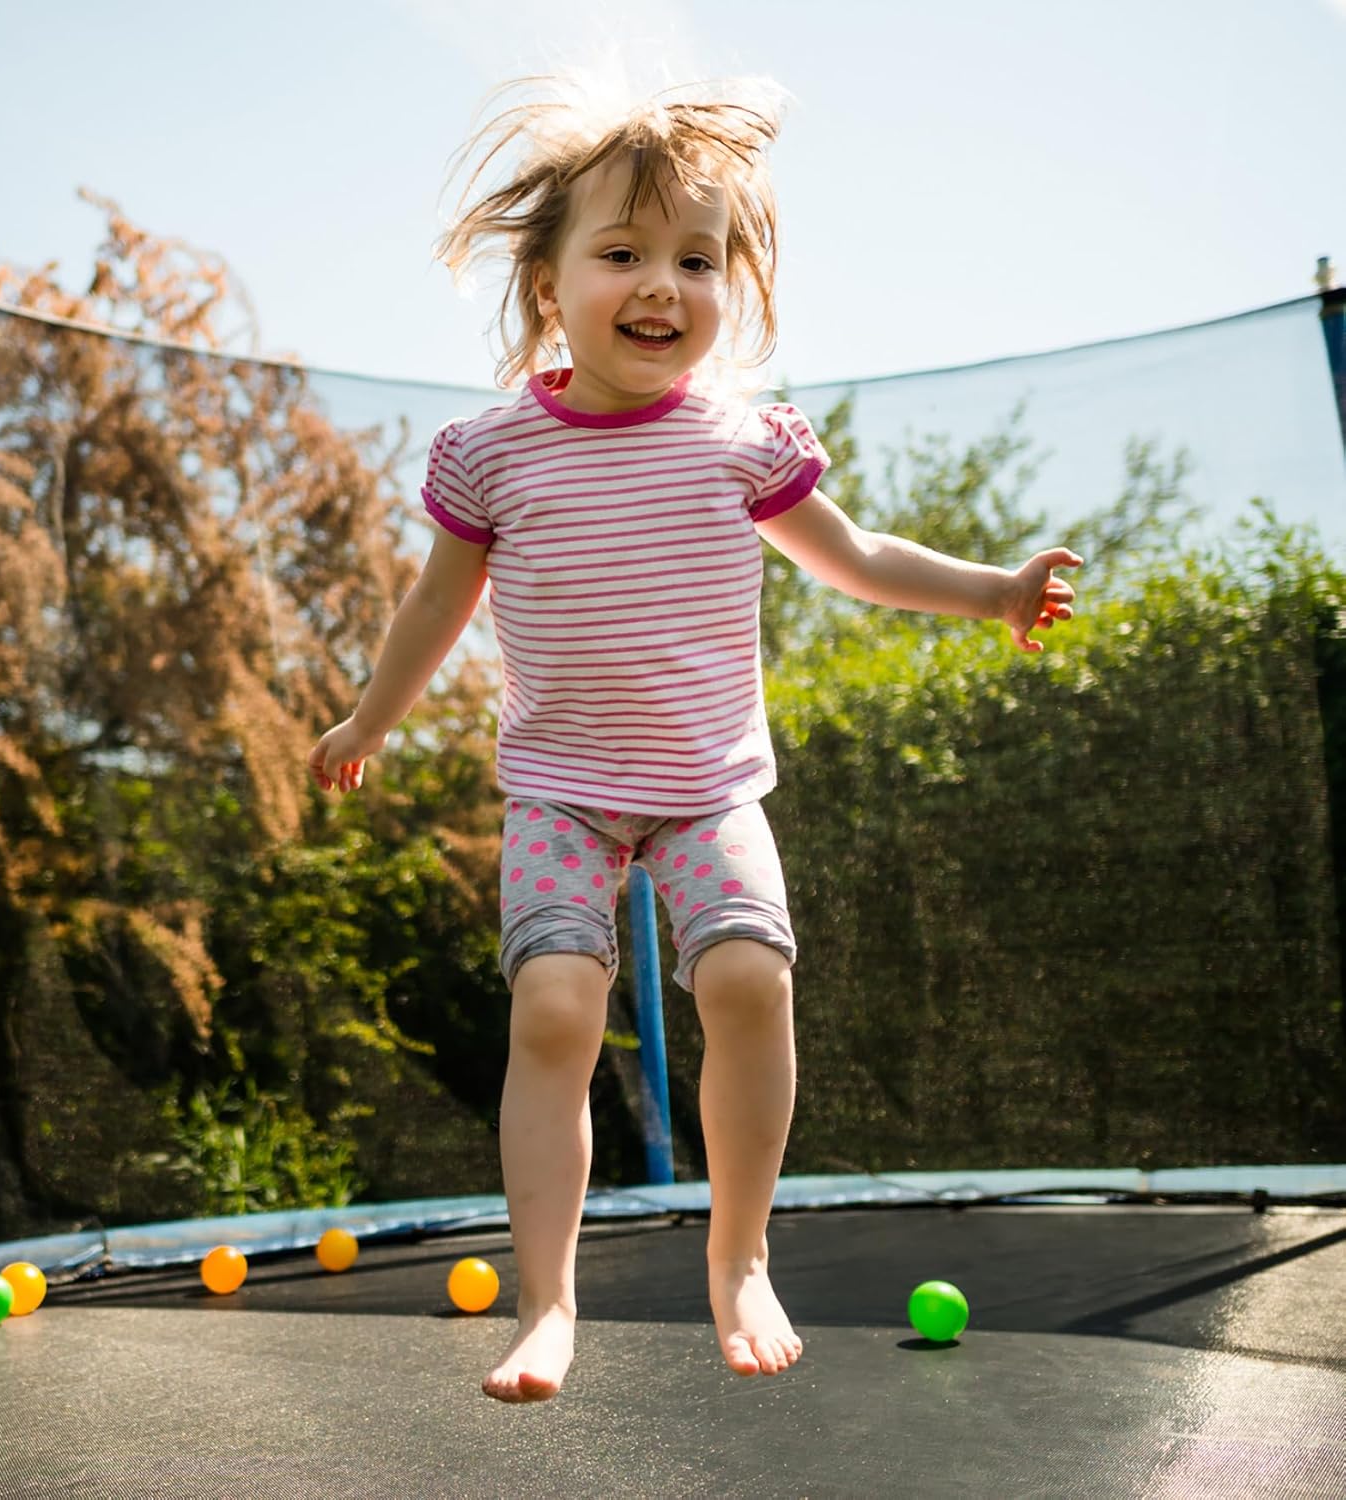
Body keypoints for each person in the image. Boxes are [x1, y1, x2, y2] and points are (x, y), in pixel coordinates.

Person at [308, 73, 1080, 1404]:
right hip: (559, 790)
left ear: (733, 283)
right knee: (554, 1007)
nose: (661, 284)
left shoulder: (739, 442)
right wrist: (370, 715)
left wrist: (995, 590)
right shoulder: (492, 455)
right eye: (620, 254)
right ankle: (548, 1303)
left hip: (707, 790)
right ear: (549, 283)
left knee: (747, 986)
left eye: (695, 259)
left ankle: (739, 1257)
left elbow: (858, 559)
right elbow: (440, 602)